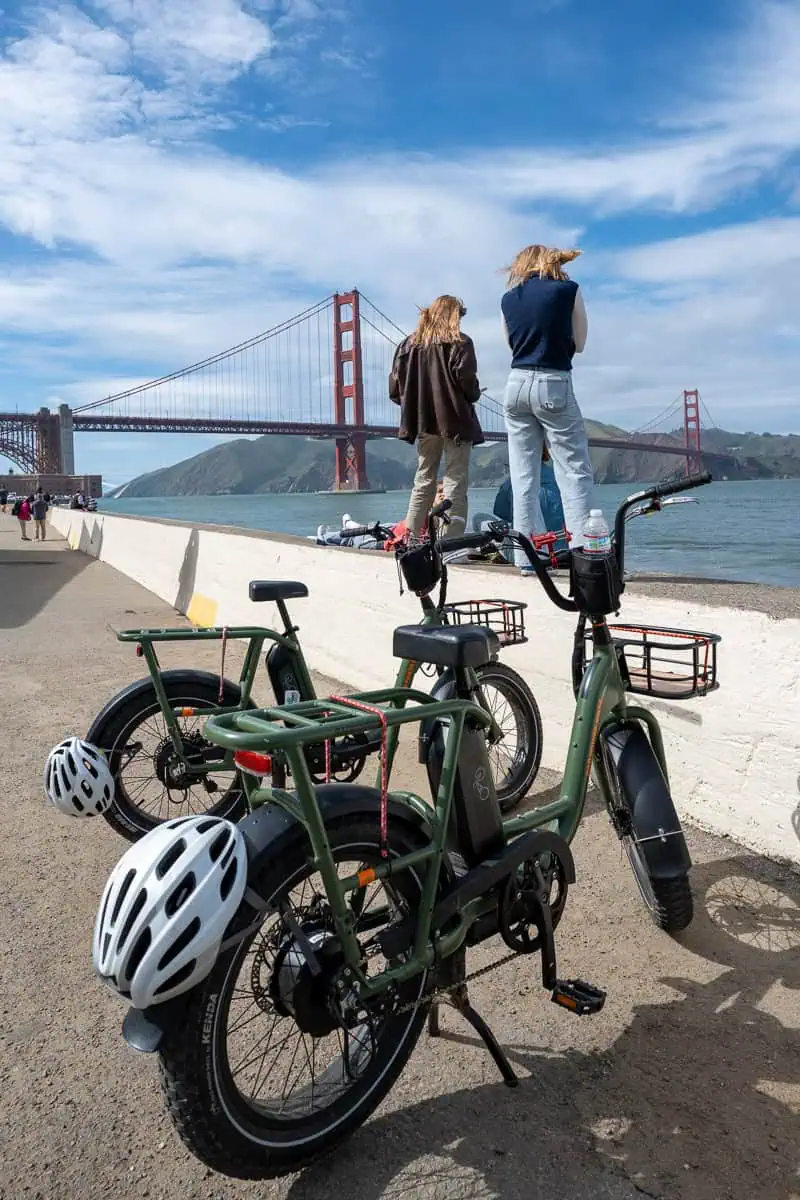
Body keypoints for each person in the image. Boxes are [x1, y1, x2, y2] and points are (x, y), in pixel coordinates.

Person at [500, 243, 594, 571]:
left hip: (515, 385)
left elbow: (511, 343)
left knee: (523, 476)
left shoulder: (508, 299)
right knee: (573, 471)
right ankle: (586, 554)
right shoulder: (569, 290)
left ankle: (526, 559)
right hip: (553, 381)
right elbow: (579, 344)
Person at [389, 294, 483, 538]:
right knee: (455, 479)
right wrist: (474, 393)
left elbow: (395, 390)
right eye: (459, 315)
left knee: (423, 479)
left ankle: (409, 538)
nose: (461, 321)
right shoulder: (461, 343)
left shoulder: (406, 346)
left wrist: (417, 405)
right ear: (453, 315)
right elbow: (468, 385)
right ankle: (450, 541)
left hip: (423, 423)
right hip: (456, 421)